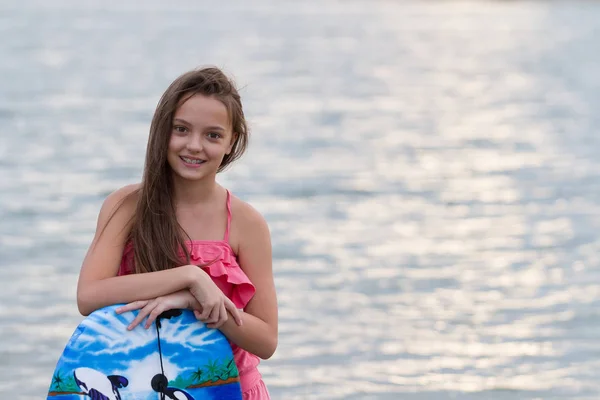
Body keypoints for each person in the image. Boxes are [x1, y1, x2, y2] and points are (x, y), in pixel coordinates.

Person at [76, 67, 278, 399]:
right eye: (181, 129)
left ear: (232, 142)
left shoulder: (247, 223)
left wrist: (195, 301)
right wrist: (190, 277)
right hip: (139, 389)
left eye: (213, 135)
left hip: (227, 390)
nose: (194, 146)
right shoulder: (126, 206)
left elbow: (266, 340)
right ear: (161, 132)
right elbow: (89, 295)